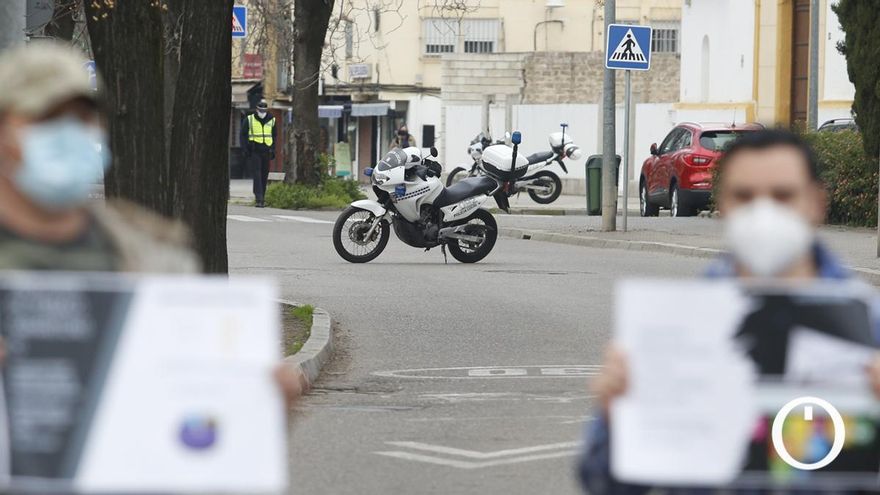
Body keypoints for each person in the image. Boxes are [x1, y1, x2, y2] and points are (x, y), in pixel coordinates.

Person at [580, 129, 880, 494]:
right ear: (723, 204)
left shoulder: (872, 324)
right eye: (745, 196)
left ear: (816, 202)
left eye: (783, 195)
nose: (764, 211)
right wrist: (617, 421)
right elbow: (602, 482)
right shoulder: (674, 328)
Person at [0, 45, 305, 399]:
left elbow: (185, 409)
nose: (70, 134)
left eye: (83, 119)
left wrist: (250, 413)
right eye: (48, 119)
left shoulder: (155, 257)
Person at [241, 100, 276, 208]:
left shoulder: (272, 120)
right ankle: (259, 198)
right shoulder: (249, 119)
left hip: (266, 150)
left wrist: (273, 150)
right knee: (257, 174)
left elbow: (274, 136)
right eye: (260, 110)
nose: (262, 112)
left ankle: (263, 197)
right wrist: (245, 149)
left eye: (264, 110)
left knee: (264, 175)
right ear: (257, 109)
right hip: (255, 150)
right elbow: (243, 135)